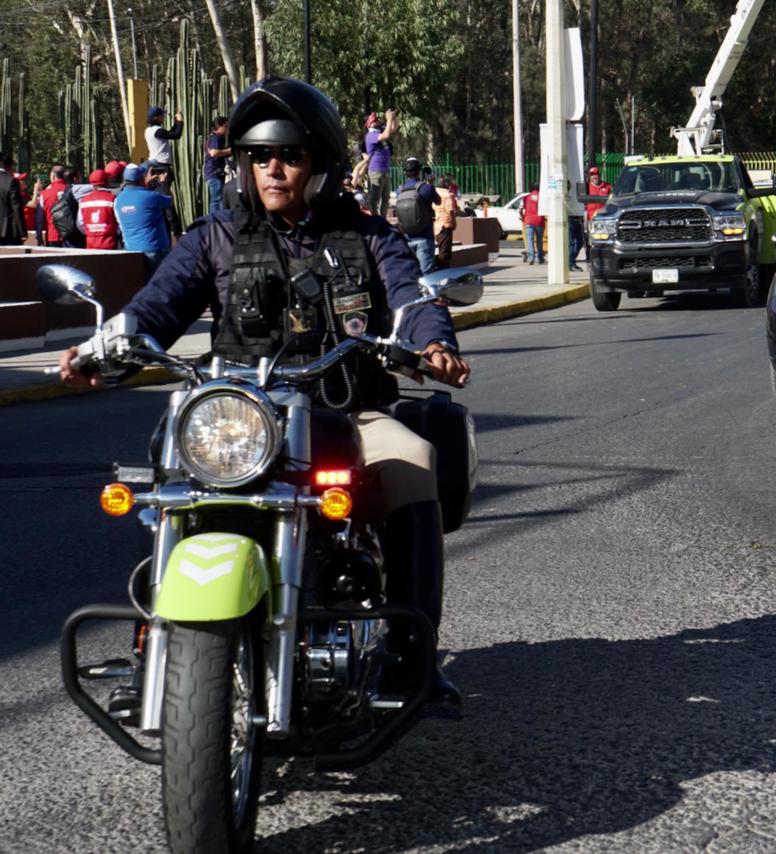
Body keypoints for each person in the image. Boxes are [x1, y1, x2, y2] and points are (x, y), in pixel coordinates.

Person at [59, 77, 469, 700]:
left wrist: (433, 344)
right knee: (168, 469)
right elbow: (154, 310)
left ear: (323, 164)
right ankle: (157, 644)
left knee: (414, 460)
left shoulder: (369, 238)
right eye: (257, 156)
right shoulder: (214, 239)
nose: (272, 169)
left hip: (349, 408)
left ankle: (413, 654)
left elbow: (411, 300)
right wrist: (101, 350)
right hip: (241, 414)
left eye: (290, 155)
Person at [114, 163, 174, 279]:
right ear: (141, 178)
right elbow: (169, 201)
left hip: (131, 250)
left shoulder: (119, 199)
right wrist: (164, 184)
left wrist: (145, 184)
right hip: (155, 250)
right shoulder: (151, 196)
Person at [394, 157, 440, 274]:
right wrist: (430, 183)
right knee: (425, 274)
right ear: (419, 172)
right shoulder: (427, 188)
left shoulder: (399, 190)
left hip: (406, 236)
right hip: (425, 236)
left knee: (410, 274)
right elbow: (438, 201)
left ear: (405, 173)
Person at [362, 109, 398, 219]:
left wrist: (394, 118)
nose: (377, 121)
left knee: (385, 198)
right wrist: (389, 119)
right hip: (376, 170)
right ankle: (374, 219)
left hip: (385, 170)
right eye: (374, 120)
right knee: (375, 198)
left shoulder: (379, 131)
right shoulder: (370, 135)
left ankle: (383, 220)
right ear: (369, 124)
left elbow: (392, 129)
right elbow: (387, 134)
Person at [76, 169, 121, 250]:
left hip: (90, 244)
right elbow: (120, 221)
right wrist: (114, 232)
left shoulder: (83, 200)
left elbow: (80, 224)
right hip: (109, 243)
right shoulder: (112, 199)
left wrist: (90, 232)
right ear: (106, 181)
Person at [37, 165, 71, 247]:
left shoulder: (45, 194)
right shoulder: (72, 190)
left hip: (52, 235)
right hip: (70, 235)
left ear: (53, 176)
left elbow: (39, 219)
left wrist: (39, 235)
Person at [204, 115, 232, 212]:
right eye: (226, 126)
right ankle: (216, 220)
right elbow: (214, 153)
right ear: (219, 126)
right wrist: (228, 151)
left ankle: (219, 219)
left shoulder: (215, 137)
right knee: (216, 199)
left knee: (218, 199)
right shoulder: (216, 137)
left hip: (214, 173)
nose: (227, 128)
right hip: (214, 173)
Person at [143, 105, 184, 170]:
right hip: (161, 164)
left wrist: (176, 124)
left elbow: (168, 134)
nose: (163, 117)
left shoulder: (148, 130)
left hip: (155, 161)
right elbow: (176, 135)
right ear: (156, 118)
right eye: (161, 115)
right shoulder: (158, 131)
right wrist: (180, 121)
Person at [0, 152, 26, 246]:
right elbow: (17, 207)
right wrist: (22, 231)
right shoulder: (11, 181)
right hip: (8, 232)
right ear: (10, 166)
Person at [433, 175, 459, 269]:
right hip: (445, 225)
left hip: (436, 226)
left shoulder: (434, 193)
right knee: (445, 253)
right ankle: (443, 273)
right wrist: (454, 223)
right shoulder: (447, 195)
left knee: (441, 250)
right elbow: (451, 211)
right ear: (446, 184)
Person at [521, 186, 545, 264]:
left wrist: (523, 217)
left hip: (528, 220)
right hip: (539, 220)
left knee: (530, 240)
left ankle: (531, 258)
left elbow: (521, 209)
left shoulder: (526, 197)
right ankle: (540, 258)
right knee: (539, 240)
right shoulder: (542, 197)